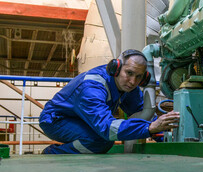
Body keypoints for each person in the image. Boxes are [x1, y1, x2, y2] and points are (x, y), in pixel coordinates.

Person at [39, 49, 180, 154]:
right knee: (100, 141)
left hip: (82, 119)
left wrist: (164, 134)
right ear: (116, 68)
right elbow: (107, 128)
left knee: (100, 138)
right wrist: (149, 128)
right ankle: (52, 153)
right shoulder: (92, 88)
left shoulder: (128, 87)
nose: (133, 81)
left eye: (138, 77)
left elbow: (142, 113)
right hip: (56, 120)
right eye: (129, 73)